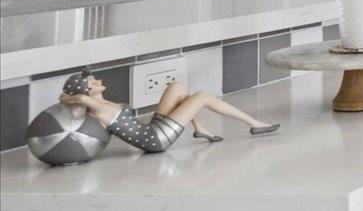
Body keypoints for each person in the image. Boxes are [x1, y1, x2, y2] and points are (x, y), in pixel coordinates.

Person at [59, 71, 279, 150]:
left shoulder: (101, 103)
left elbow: (69, 96)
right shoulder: (97, 107)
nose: (98, 80)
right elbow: (73, 97)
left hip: (151, 129)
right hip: (156, 140)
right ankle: (254, 123)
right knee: (201, 96)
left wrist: (76, 91)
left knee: (176, 88)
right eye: (92, 81)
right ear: (88, 90)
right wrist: (77, 93)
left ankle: (200, 127)